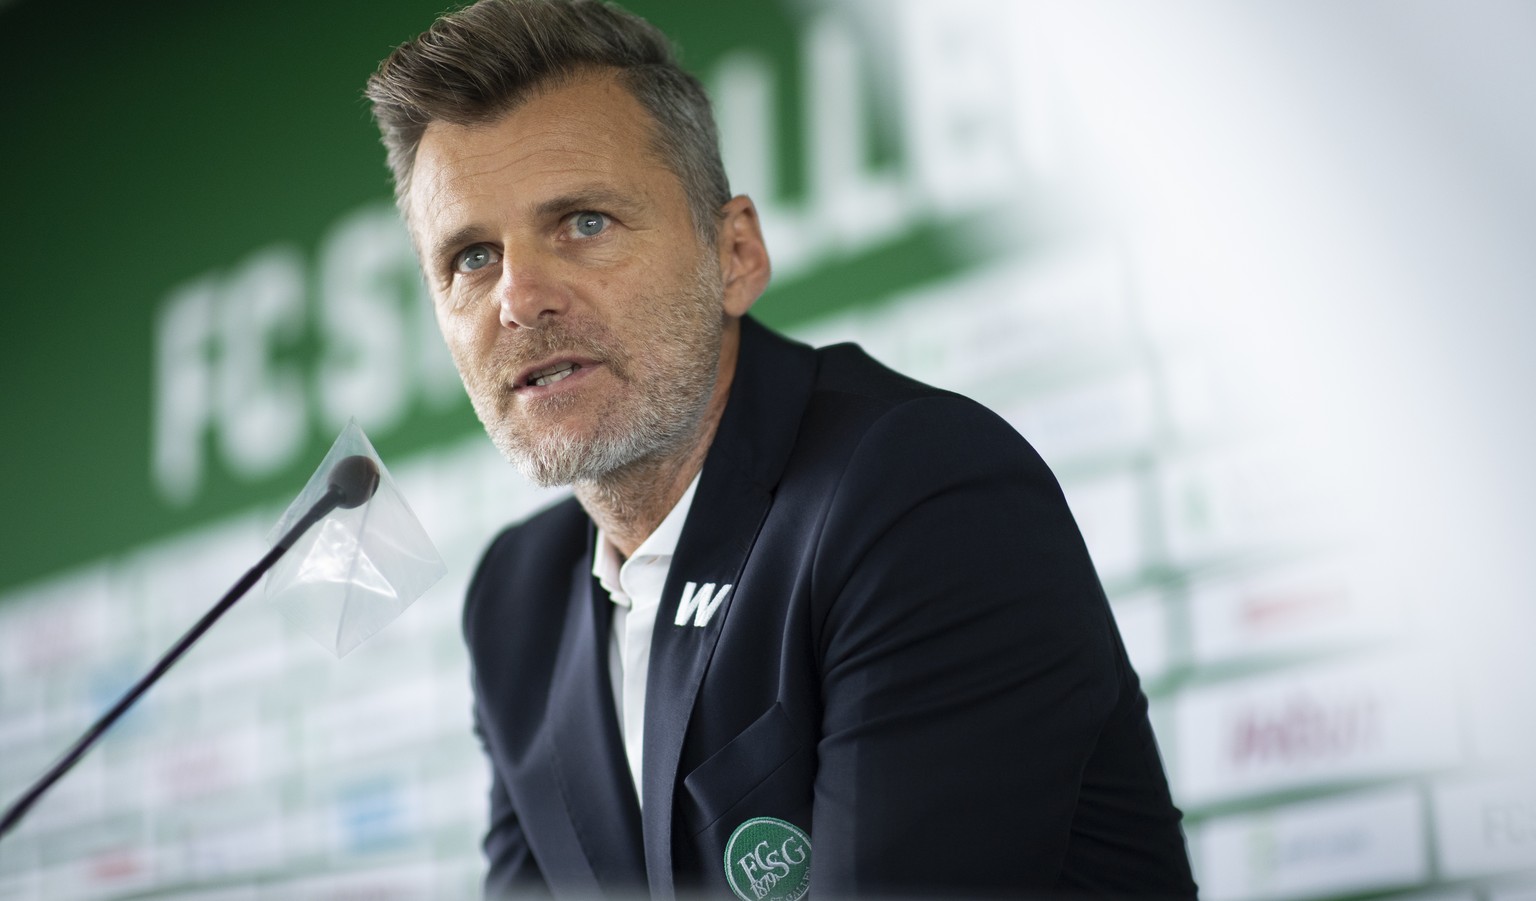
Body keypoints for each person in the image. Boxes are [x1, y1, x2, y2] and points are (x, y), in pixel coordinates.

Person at [367, 1, 1197, 897]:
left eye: (585, 223)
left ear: (735, 255)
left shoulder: (918, 491)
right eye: (471, 258)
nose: (520, 298)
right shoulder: (515, 601)